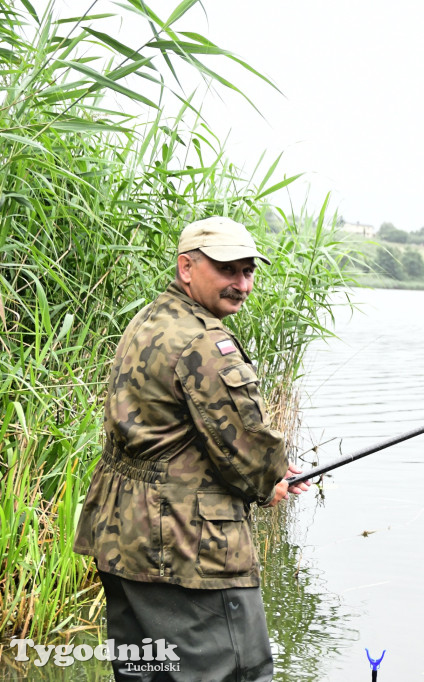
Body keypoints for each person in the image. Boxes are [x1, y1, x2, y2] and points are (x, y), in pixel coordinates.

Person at [74, 216, 310, 681]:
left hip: (125, 539)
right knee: (230, 672)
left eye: (248, 271)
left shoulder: (151, 318)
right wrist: (271, 480)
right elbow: (250, 454)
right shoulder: (205, 342)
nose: (240, 284)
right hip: (187, 549)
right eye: (227, 270)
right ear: (187, 267)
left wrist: (264, 474)